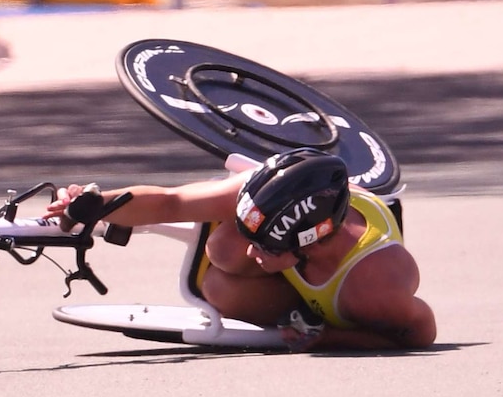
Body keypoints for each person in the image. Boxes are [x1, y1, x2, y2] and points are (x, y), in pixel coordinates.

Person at [43, 147, 436, 352]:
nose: (252, 253)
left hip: (341, 294)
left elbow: (420, 335)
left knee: (222, 283)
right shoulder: (272, 191)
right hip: (307, 246)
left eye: (264, 244)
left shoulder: (372, 289)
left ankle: (303, 312)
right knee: (223, 250)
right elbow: (172, 202)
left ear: (309, 243)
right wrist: (98, 203)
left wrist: (332, 337)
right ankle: (279, 280)